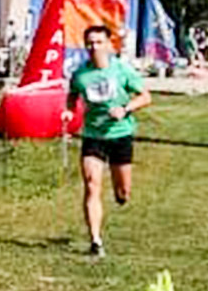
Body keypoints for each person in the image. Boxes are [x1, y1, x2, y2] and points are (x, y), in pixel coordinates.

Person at [62, 25, 152, 258]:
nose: (94, 47)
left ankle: (121, 194)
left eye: (98, 42)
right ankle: (95, 241)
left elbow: (145, 96)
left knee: (123, 192)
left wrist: (125, 109)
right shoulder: (80, 74)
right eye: (89, 43)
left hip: (120, 134)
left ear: (109, 44)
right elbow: (72, 95)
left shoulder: (121, 69)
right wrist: (69, 111)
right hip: (93, 136)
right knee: (92, 185)